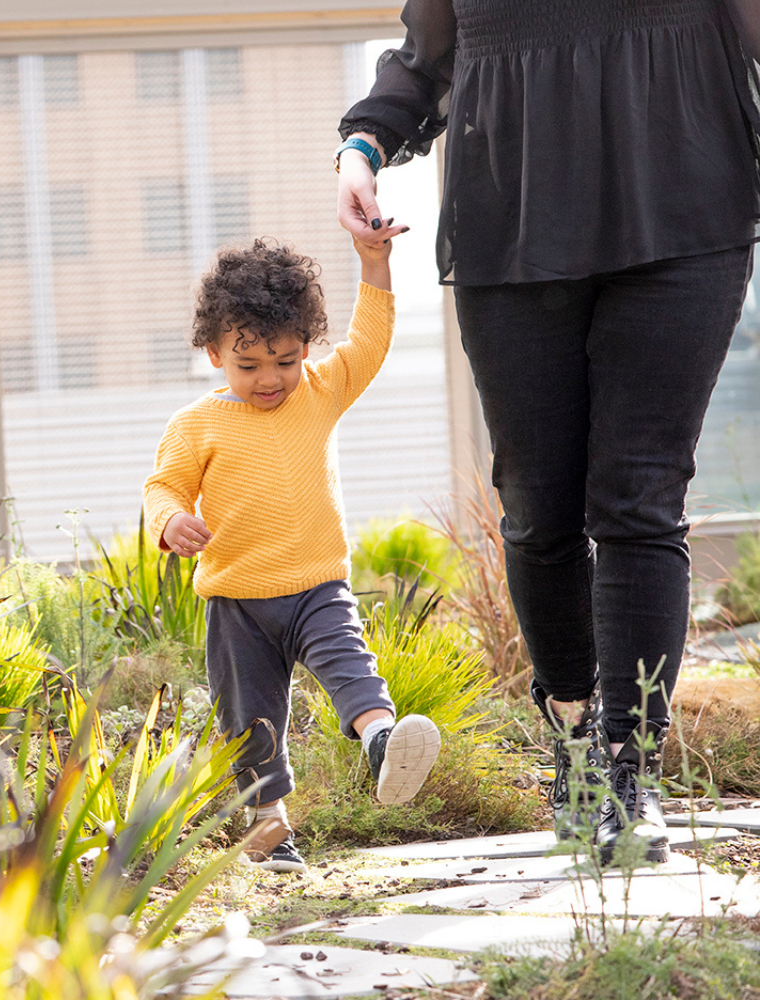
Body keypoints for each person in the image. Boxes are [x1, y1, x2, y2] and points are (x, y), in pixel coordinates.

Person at [337, 0, 760, 865]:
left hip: (684, 207)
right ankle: (572, 725)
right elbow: (427, 56)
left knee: (640, 498)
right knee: (536, 505)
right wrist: (362, 146)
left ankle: (625, 773)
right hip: (513, 216)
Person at [143, 236, 439, 875]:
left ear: (306, 345)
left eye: (284, 360)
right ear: (214, 352)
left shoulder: (322, 390)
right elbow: (162, 486)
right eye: (247, 365)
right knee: (250, 720)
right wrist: (169, 521)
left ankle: (382, 744)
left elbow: (370, 342)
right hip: (236, 601)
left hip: (316, 585)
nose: (270, 379)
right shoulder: (195, 425)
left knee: (351, 667)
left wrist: (374, 262)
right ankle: (270, 827)